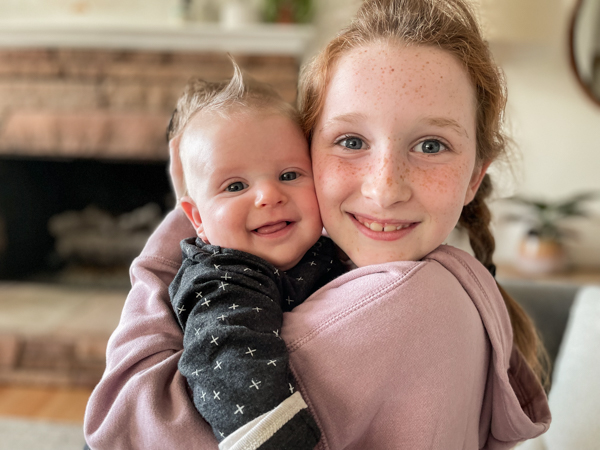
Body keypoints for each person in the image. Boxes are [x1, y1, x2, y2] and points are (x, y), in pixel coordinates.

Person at [84, 0, 552, 449]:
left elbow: (120, 424)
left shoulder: (403, 301)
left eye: (431, 145)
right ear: (309, 152)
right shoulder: (426, 275)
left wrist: (189, 225)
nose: (385, 189)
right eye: (351, 141)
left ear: (474, 178)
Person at [167, 62, 344, 448]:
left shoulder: (325, 242)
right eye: (235, 186)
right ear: (198, 219)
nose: (268, 196)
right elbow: (231, 367)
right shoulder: (224, 278)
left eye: (289, 175)